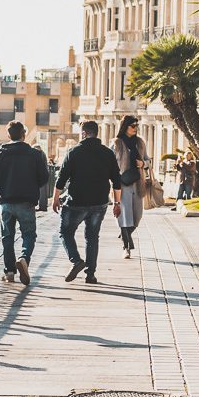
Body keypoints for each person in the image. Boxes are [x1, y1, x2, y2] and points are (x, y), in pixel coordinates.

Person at [53, 121, 122, 285]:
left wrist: (56, 198)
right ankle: (90, 274)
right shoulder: (107, 153)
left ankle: (76, 261)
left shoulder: (74, 152)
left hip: (77, 201)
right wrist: (117, 203)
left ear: (83, 133)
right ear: (96, 133)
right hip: (99, 203)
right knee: (92, 237)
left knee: (65, 232)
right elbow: (117, 181)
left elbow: (61, 178)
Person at [0, 121, 48, 286]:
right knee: (29, 234)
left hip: (6, 201)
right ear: (24, 134)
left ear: (8, 135)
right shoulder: (34, 154)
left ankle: (9, 272)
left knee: (7, 236)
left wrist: (5, 185)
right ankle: (24, 259)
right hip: (26, 201)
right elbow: (44, 177)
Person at [113, 115, 149, 256]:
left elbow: (147, 160)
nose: (135, 128)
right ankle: (126, 247)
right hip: (122, 184)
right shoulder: (117, 143)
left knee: (137, 217)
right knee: (124, 216)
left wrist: (143, 164)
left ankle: (125, 236)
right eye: (132, 126)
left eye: (136, 126)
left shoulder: (140, 143)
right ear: (125, 126)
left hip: (138, 183)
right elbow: (111, 164)